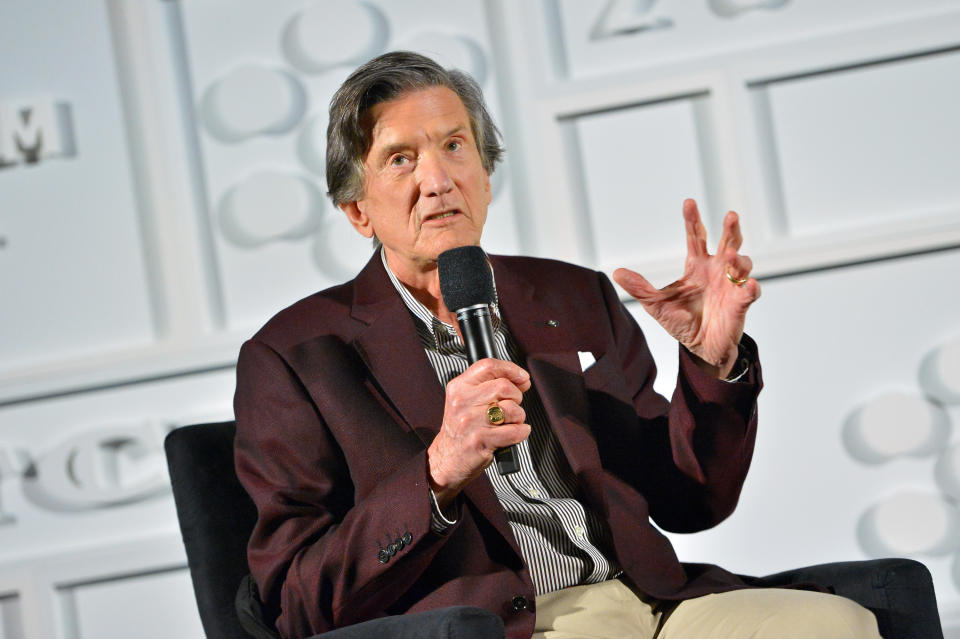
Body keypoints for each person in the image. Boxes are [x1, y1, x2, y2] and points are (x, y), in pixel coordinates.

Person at [233, 51, 880, 639]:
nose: (438, 179)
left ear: (485, 172)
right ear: (358, 210)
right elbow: (298, 604)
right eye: (401, 158)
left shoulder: (571, 296)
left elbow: (690, 499)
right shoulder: (294, 357)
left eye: (455, 146)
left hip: (653, 601)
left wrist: (712, 366)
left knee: (840, 623)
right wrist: (437, 472)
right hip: (504, 626)